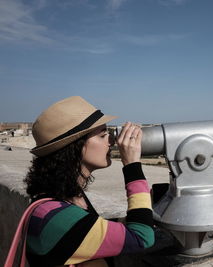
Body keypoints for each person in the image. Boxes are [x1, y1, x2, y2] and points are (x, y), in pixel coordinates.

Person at [23, 96, 154, 267]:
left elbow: (90, 230)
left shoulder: (67, 199)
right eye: (102, 135)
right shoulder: (55, 217)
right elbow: (142, 237)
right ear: (75, 148)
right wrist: (132, 166)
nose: (112, 141)